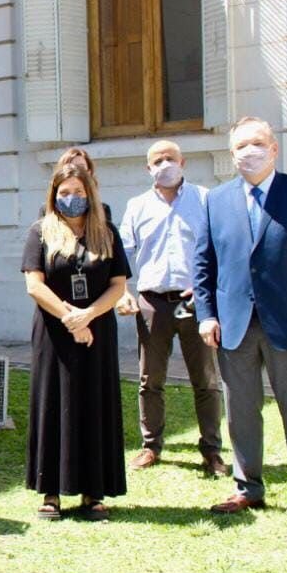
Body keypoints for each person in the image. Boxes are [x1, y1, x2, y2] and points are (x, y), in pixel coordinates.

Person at [194, 117, 287, 522]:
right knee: (240, 410)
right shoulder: (217, 200)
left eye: (257, 143)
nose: (249, 152)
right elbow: (203, 263)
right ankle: (247, 487)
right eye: (240, 146)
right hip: (234, 325)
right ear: (231, 154)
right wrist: (206, 314)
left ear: (274, 149)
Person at [23, 165, 130, 520]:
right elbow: (35, 285)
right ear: (54, 195)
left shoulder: (106, 232)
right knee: (53, 403)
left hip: (98, 332)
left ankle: (93, 492)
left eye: (79, 192)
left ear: (91, 194)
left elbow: (118, 284)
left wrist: (89, 316)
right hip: (55, 333)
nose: (72, 199)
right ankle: (50, 492)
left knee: (94, 403)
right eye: (65, 192)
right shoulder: (40, 231)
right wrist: (71, 318)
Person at [116, 141, 226, 476]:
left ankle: (212, 450)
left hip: (196, 302)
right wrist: (123, 291)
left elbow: (221, 248)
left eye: (170, 159)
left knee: (206, 379)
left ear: (183, 162)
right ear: (148, 168)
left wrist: (210, 288)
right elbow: (121, 254)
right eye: (157, 160)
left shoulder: (205, 199)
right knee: (150, 379)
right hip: (153, 303)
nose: (164, 164)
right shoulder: (137, 206)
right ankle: (151, 446)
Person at [38, 148, 113, 221]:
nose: (75, 172)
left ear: (89, 172)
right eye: (70, 168)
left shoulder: (101, 210)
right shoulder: (47, 210)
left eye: (81, 168)